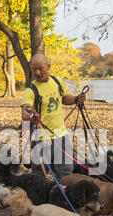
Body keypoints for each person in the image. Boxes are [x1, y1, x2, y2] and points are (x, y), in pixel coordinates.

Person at [21, 53, 86, 181]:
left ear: (48, 66)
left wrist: (76, 99)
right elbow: (25, 112)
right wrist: (31, 115)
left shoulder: (57, 81)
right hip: (41, 137)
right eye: (34, 69)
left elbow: (64, 98)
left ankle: (63, 196)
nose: (38, 72)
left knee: (66, 169)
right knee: (40, 172)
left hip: (61, 134)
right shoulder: (30, 90)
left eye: (41, 68)